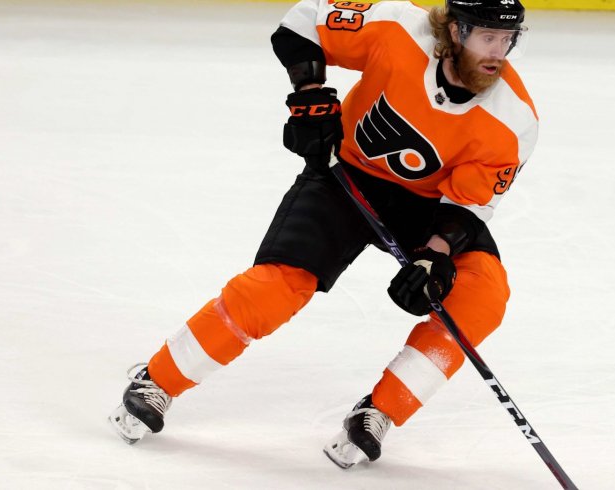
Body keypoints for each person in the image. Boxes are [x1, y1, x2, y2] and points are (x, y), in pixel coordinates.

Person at [109, 0, 538, 469]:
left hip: (426, 206)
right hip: (345, 174)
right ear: (455, 31)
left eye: (507, 38)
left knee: (482, 296)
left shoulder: (513, 119)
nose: (499, 52)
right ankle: (158, 380)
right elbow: (301, 22)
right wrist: (308, 95)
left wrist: (434, 258)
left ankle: (380, 413)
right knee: (276, 287)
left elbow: (469, 205)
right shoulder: (396, 28)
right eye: (487, 37)